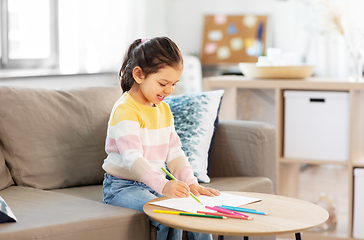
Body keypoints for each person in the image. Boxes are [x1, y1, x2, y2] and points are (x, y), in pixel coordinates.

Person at [102, 36, 220, 240]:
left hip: (153, 183)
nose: (169, 90)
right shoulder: (126, 110)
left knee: (198, 212)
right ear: (139, 74)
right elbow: (133, 158)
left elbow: (174, 151)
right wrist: (164, 186)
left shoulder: (163, 109)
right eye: (163, 83)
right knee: (171, 214)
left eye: (174, 83)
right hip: (122, 187)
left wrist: (190, 183)